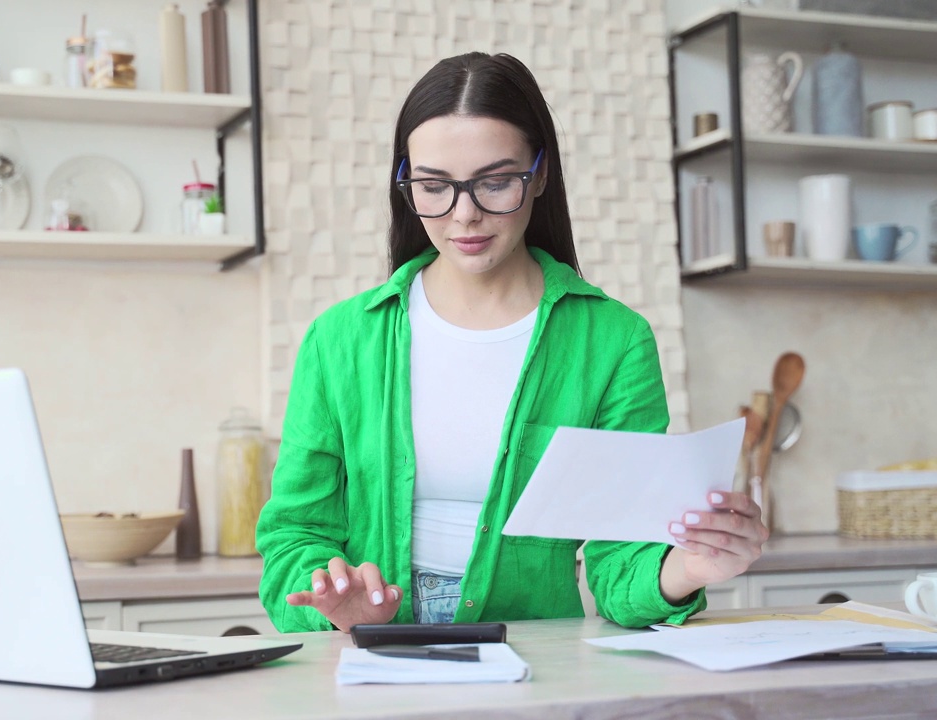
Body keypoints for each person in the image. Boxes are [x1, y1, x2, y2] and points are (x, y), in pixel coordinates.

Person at [254, 52, 767, 633]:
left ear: (541, 173)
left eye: (496, 182)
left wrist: (687, 567)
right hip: (366, 659)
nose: (464, 215)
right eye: (433, 186)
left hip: (535, 662)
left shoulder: (614, 341)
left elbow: (621, 559)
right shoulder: (339, 340)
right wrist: (334, 600)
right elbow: (294, 535)